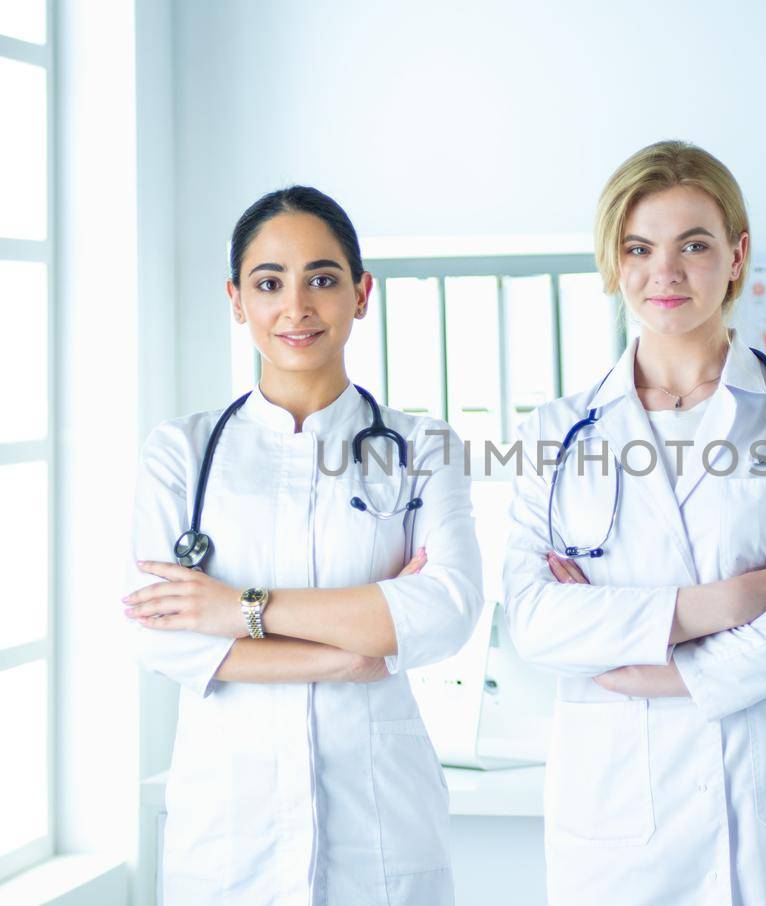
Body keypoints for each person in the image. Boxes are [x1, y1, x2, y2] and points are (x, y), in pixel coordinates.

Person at [503, 140, 766, 905]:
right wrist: (720, 606)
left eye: (693, 245)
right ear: (614, 260)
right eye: (639, 247)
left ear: (736, 255)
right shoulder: (557, 432)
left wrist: (669, 669)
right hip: (618, 827)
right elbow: (533, 621)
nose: (664, 272)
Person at [123, 186, 484, 905]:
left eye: (323, 278)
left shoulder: (422, 446)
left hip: (378, 825)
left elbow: (445, 611)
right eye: (269, 283)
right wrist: (347, 649)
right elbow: (162, 639)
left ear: (361, 293)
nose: (297, 306)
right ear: (236, 299)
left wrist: (236, 608)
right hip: (230, 831)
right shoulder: (182, 453)